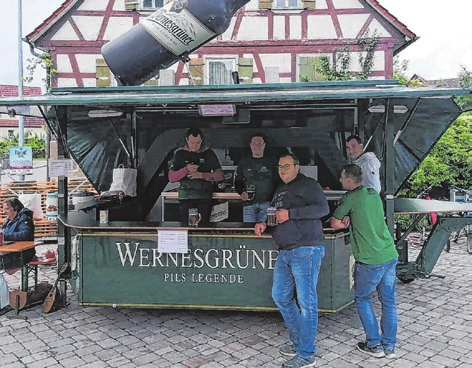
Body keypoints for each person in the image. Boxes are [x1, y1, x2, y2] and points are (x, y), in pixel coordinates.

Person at [255, 154, 329, 368]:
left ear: (297, 167)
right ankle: (299, 341)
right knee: (280, 296)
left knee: (307, 303)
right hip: (286, 250)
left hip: (306, 248)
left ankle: (307, 354)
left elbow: (322, 210)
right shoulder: (279, 189)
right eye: (279, 166)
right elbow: (275, 215)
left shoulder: (309, 185)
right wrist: (264, 223)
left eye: (286, 166)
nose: (282, 169)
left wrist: (291, 214)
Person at [330, 164, 398, 359]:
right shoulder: (372, 193)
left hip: (369, 259)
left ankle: (374, 344)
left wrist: (345, 221)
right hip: (389, 253)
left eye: (342, 178)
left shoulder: (350, 197)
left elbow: (334, 223)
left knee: (363, 299)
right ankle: (389, 346)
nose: (341, 181)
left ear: (348, 179)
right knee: (389, 302)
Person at [169, 128, 223, 226]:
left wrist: (201, 175)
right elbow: (172, 178)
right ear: (187, 140)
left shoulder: (209, 153)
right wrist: (186, 169)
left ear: (201, 141)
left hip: (204, 197)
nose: (195, 145)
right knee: (185, 228)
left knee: (204, 228)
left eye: (197, 143)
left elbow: (219, 175)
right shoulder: (180, 154)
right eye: (192, 142)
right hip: (186, 197)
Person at [1, 198, 36, 312]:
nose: (4, 211)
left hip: (24, 253)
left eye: (7, 209)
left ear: (15, 209)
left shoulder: (24, 218)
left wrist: (6, 236)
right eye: (3, 209)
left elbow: (26, 234)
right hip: (12, 252)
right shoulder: (8, 220)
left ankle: (4, 303)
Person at [235, 133, 277, 224]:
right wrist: (241, 191)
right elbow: (238, 181)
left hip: (267, 204)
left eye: (259, 143)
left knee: (266, 231)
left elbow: (278, 181)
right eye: (254, 143)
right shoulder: (243, 162)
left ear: (264, 145)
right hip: (249, 204)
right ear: (250, 145)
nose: (256, 146)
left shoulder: (272, 162)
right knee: (249, 232)